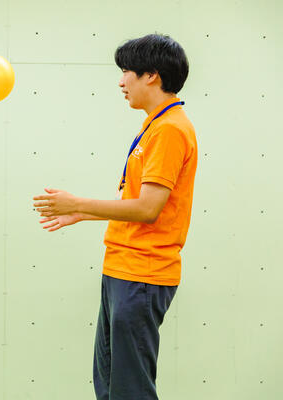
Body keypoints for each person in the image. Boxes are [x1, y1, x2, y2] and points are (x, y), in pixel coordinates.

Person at [33, 34, 197, 400]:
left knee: (130, 389)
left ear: (151, 76)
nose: (121, 81)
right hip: (123, 269)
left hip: (143, 273)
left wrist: (80, 204)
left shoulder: (170, 129)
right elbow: (141, 204)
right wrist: (81, 213)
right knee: (109, 385)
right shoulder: (155, 124)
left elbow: (148, 209)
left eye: (127, 72)